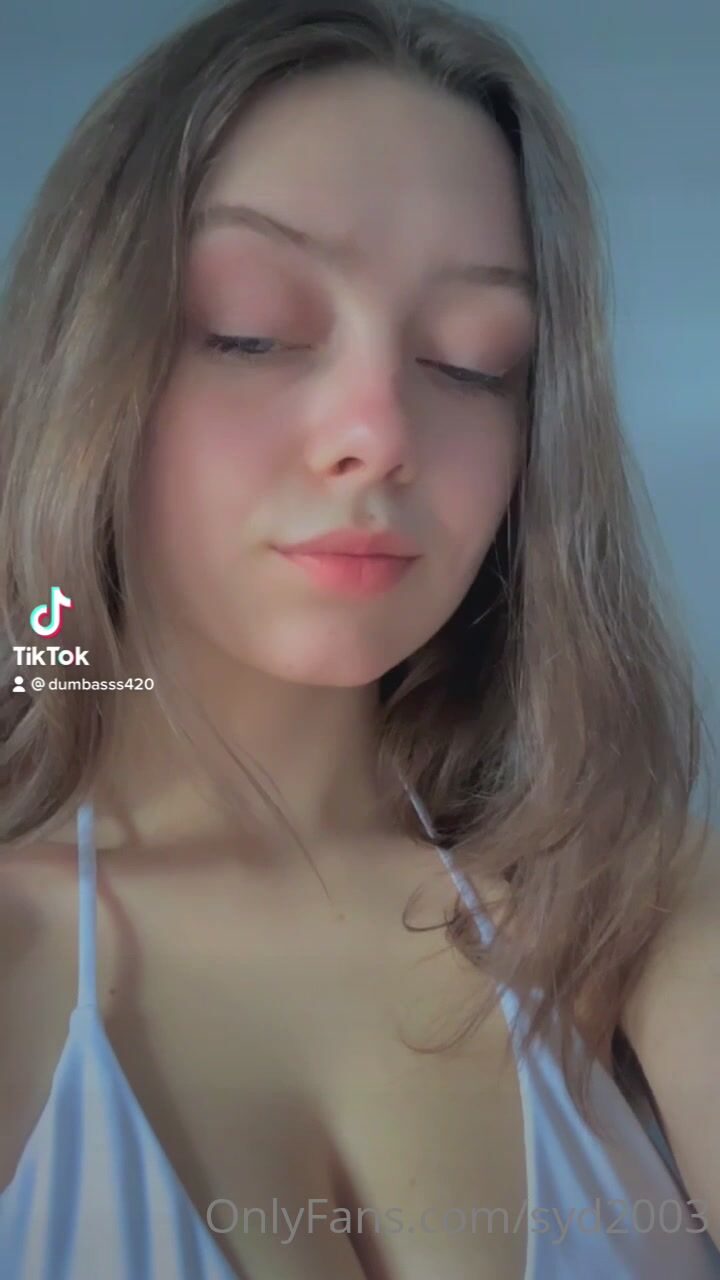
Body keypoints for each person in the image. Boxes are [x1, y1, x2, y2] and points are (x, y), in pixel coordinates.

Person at [0, 0, 718, 1276]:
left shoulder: (642, 910)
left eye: (472, 362)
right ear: (86, 365)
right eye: (251, 329)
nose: (378, 434)